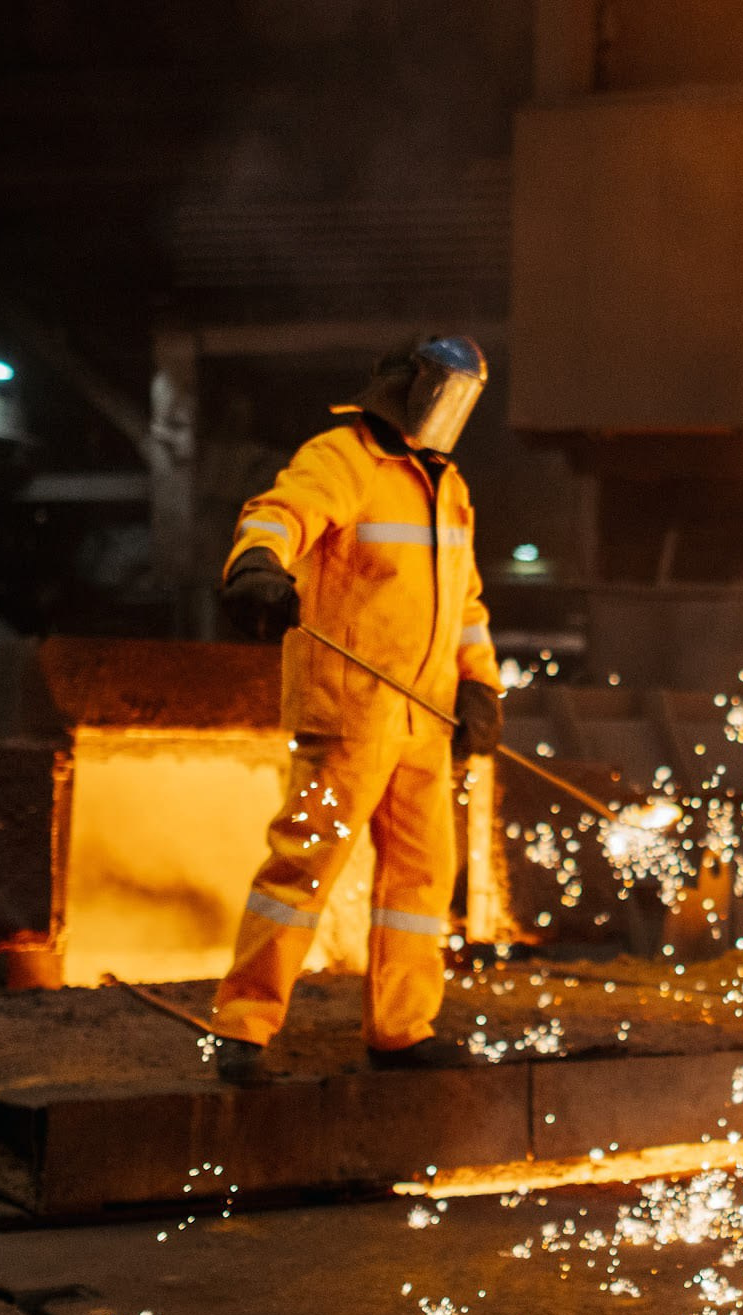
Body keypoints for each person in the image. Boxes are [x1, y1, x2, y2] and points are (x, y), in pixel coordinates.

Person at [204, 337, 505, 1084]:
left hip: (425, 722)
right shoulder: (343, 458)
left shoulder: (447, 486)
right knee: (302, 870)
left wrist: (480, 684)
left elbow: (464, 602)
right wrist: (257, 563)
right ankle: (243, 1026)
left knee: (420, 883)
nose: (451, 413)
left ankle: (401, 1029)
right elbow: (279, 515)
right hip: (348, 714)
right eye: (447, 395)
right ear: (410, 389)